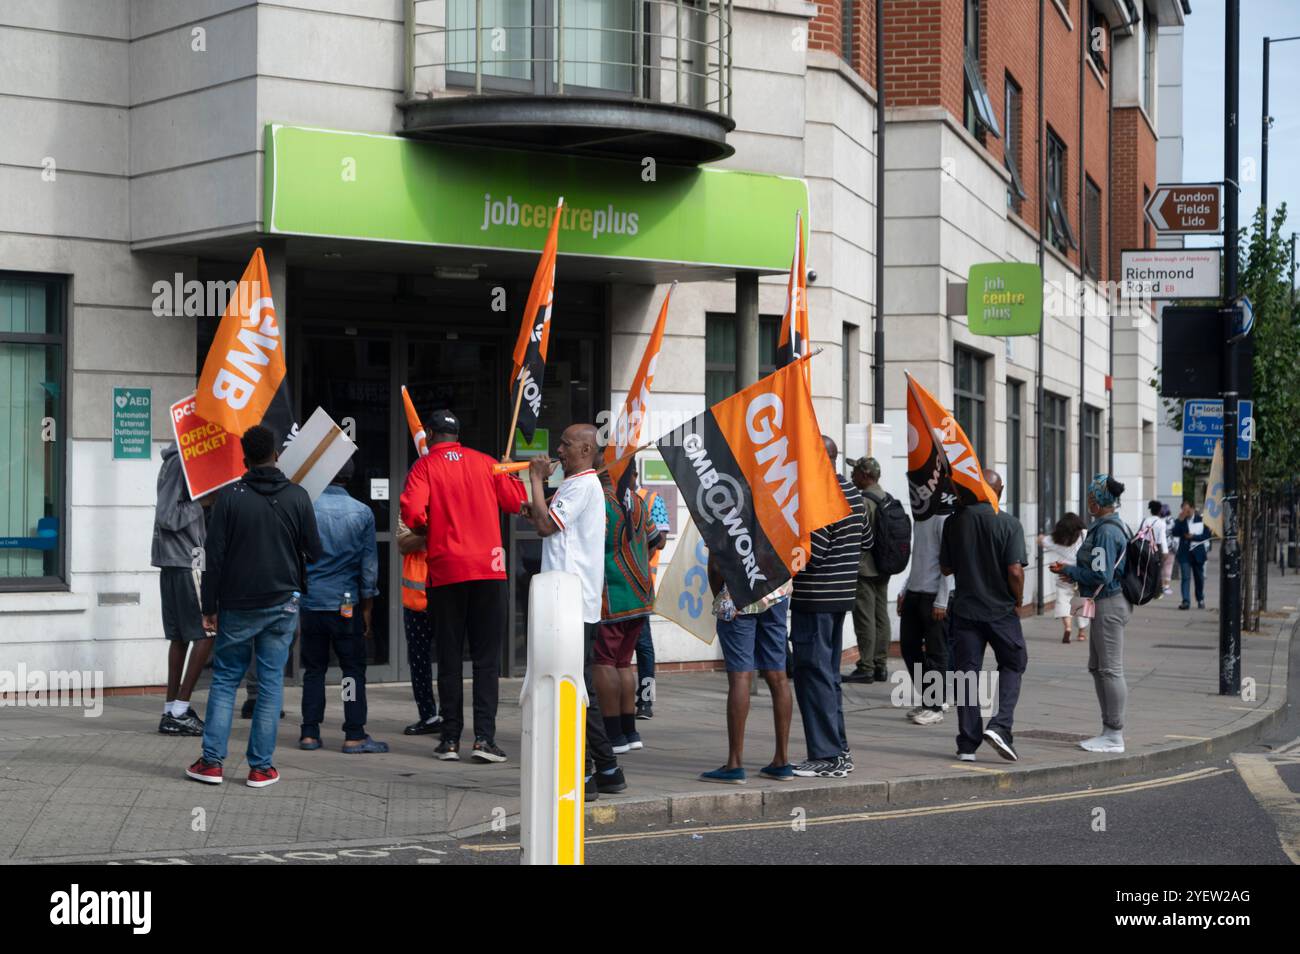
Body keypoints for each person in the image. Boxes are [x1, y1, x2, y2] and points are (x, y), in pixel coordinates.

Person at [186, 425, 322, 788]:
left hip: (237, 603)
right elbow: (316, 549)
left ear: (243, 458)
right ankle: (261, 767)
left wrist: (208, 605)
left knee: (226, 678)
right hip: (283, 603)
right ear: (276, 454)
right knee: (270, 682)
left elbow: (212, 558)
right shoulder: (298, 496)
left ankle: (211, 763)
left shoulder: (229, 498)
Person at [399, 409, 527, 763]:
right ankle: (484, 739)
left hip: (446, 572)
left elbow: (411, 512)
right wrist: (508, 469)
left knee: (450, 659)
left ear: (430, 434)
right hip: (489, 570)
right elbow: (517, 502)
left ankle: (450, 739)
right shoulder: (486, 463)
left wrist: (429, 527)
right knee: (486, 661)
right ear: (457, 435)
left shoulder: (424, 467)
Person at [520, 423, 626, 801]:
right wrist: (536, 494)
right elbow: (543, 520)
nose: (558, 451)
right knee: (580, 687)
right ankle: (608, 768)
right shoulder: (576, 484)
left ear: (584, 449)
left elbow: (547, 526)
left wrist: (534, 479)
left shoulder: (582, 485)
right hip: (569, 602)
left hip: (571, 606)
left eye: (564, 445)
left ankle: (587, 773)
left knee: (572, 689)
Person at [298, 457, 386, 753]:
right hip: (345, 604)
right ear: (350, 478)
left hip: (312, 603)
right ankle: (354, 733)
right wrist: (367, 608)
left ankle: (309, 733)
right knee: (351, 671)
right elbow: (369, 565)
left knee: (314, 670)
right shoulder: (362, 512)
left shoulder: (307, 507)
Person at [790, 436, 866, 779]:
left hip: (815, 598)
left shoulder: (820, 493)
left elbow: (813, 552)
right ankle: (839, 749)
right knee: (828, 674)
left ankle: (826, 756)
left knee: (813, 674)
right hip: (839, 597)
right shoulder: (852, 491)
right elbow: (867, 540)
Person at [939, 470, 1028, 763]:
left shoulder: (953, 522)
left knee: (966, 675)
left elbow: (946, 569)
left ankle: (967, 744)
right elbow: (1015, 571)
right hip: (1001, 611)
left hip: (965, 610)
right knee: (1013, 663)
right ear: (998, 490)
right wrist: (1018, 600)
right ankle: (1000, 725)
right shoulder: (1009, 523)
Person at [1052, 475, 1131, 754]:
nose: (1088, 503)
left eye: (1090, 498)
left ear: (1098, 502)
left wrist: (1068, 570)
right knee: (1098, 668)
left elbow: (1100, 574)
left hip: (1108, 604)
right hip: (1105, 602)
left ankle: (1114, 734)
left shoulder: (1107, 532)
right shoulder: (1107, 526)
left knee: (1110, 669)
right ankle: (1109, 730)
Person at [701, 557, 794, 783]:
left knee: (741, 675)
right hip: (776, 590)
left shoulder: (725, 518)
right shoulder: (780, 518)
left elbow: (715, 565)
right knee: (778, 676)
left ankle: (734, 764)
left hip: (738, 591)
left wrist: (719, 596)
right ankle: (781, 761)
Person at [593, 469, 664, 753]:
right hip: (639, 593)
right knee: (623, 663)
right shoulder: (636, 500)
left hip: (612, 594)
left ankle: (613, 734)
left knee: (605, 663)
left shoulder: (601, 501)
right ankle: (629, 732)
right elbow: (656, 541)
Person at [151, 441, 214, 736]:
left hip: (176, 559)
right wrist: (203, 502)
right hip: (187, 559)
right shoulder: (181, 462)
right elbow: (168, 516)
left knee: (180, 637)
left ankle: (171, 710)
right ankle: (179, 709)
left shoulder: (175, 461)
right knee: (207, 632)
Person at [895, 505, 952, 725]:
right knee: (909, 647)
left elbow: (948, 564)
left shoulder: (944, 517)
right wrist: (904, 589)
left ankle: (935, 706)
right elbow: (918, 558)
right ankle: (930, 697)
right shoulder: (921, 517)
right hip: (915, 592)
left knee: (937, 652)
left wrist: (942, 599)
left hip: (934, 595)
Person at [846, 457, 890, 683]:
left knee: (865, 618)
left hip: (865, 569)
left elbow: (859, 537)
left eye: (855, 472)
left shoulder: (864, 502)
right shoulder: (886, 498)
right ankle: (881, 665)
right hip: (884, 567)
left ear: (865, 475)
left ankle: (866, 666)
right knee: (881, 616)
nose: (852, 476)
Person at [397, 517, 441, 736]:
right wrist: (431, 530)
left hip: (447, 597)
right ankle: (428, 715)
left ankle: (450, 718)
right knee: (418, 661)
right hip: (416, 601)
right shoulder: (410, 508)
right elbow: (403, 545)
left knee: (448, 662)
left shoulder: (454, 499)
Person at [634, 480, 670, 719]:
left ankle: (646, 700)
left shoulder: (651, 499)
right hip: (613, 584)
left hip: (641, 583)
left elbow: (661, 539)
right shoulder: (605, 494)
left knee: (643, 645)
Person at [1039, 513, 1089, 643]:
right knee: (1082, 601)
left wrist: (1041, 537)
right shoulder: (1084, 534)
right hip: (1081, 573)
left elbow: (1042, 541)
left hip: (1063, 573)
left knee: (1063, 600)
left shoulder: (1058, 538)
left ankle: (1068, 628)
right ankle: (1082, 633)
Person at [1171, 499, 1212, 610]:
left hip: (1198, 553)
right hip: (1185, 553)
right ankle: (1186, 601)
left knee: (1199, 578)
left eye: (1187, 510)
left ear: (1193, 509)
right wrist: (1179, 521)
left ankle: (1200, 598)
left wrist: (1193, 537)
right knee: (1185, 577)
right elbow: (1174, 533)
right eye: (1183, 510)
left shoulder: (1201, 520)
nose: (1186, 512)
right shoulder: (1181, 520)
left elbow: (1206, 536)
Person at [1139, 500, 1171, 600]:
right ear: (1159, 511)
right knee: (1157, 570)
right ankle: (1156, 593)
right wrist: (1165, 552)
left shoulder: (1146, 521)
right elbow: (1162, 538)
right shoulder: (1161, 523)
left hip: (1146, 547)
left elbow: (1141, 535)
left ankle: (1145, 590)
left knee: (1146, 569)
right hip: (1157, 548)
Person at [1159, 503, 1176, 596]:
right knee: (1168, 566)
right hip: (1170, 547)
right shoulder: (1172, 520)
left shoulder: (1159, 520)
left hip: (1160, 547)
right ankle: (1166, 586)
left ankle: (1159, 586)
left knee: (1160, 566)